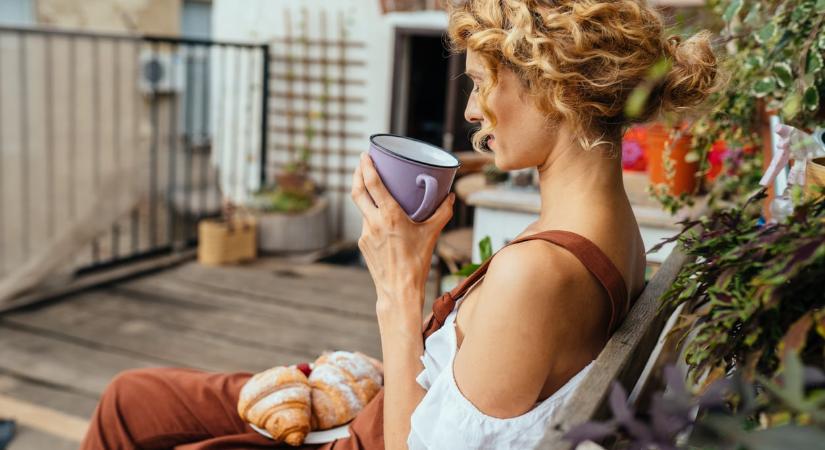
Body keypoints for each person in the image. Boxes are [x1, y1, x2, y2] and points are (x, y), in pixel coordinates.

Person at [80, 1, 717, 449]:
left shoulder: (537, 275)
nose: (471, 110)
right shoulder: (614, 231)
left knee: (133, 415)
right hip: (383, 405)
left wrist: (399, 284)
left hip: (374, 435)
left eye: (478, 83)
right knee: (134, 394)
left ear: (553, 89)